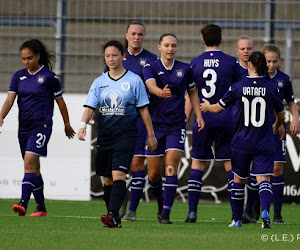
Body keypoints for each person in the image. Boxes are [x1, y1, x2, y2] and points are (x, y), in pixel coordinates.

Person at [200, 51, 285, 228]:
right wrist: (276, 126)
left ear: (249, 65)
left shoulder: (237, 87)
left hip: (241, 141)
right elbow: (282, 115)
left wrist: (208, 106)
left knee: (239, 180)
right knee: (263, 179)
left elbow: (217, 109)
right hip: (264, 141)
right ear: (264, 67)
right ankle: (264, 213)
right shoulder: (271, 88)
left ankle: (237, 220)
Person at [77, 40, 157, 228]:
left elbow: (144, 109)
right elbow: (90, 106)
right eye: (107, 56)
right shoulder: (100, 82)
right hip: (105, 135)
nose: (111, 59)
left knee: (118, 173)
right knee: (107, 178)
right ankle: (115, 216)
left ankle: (112, 215)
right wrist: (82, 125)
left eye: (115, 55)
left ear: (123, 56)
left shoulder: (134, 80)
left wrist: (151, 135)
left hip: (127, 134)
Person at [0, 39, 75, 216]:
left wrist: (66, 124)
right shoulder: (18, 76)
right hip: (23, 127)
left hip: (41, 127)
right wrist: (1, 116)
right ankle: (41, 207)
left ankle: (23, 203)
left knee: (28, 164)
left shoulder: (49, 77)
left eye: (29, 58)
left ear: (38, 56)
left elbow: (61, 103)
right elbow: (10, 100)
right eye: (23, 59)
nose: (26, 62)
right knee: (34, 168)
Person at [143, 33, 205, 224]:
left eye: (174, 46)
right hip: (154, 126)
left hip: (176, 125)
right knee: (153, 175)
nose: (170, 49)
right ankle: (161, 201)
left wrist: (199, 115)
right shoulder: (150, 67)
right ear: (159, 47)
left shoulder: (185, 69)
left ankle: (166, 214)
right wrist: (160, 92)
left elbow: (193, 93)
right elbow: (150, 85)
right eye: (167, 45)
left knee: (171, 167)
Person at [184, 24, 241, 223]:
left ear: (203, 40)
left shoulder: (195, 63)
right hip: (227, 119)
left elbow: (191, 94)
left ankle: (192, 212)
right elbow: (239, 91)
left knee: (198, 164)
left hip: (203, 119)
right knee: (230, 166)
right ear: (221, 39)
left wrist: (185, 118)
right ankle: (236, 215)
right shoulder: (231, 62)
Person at [116, 21, 157, 221]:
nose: (136, 37)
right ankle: (120, 199)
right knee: (116, 164)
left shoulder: (151, 60)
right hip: (117, 118)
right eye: (133, 33)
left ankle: (132, 210)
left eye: (140, 34)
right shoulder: (117, 56)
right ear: (126, 35)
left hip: (140, 118)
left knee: (137, 162)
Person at [236, 35, 260, 223]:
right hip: (238, 128)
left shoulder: (262, 74)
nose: (246, 51)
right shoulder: (234, 71)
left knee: (254, 169)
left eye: (249, 48)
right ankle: (239, 211)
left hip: (257, 131)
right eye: (243, 48)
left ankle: (250, 208)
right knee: (239, 172)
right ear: (237, 51)